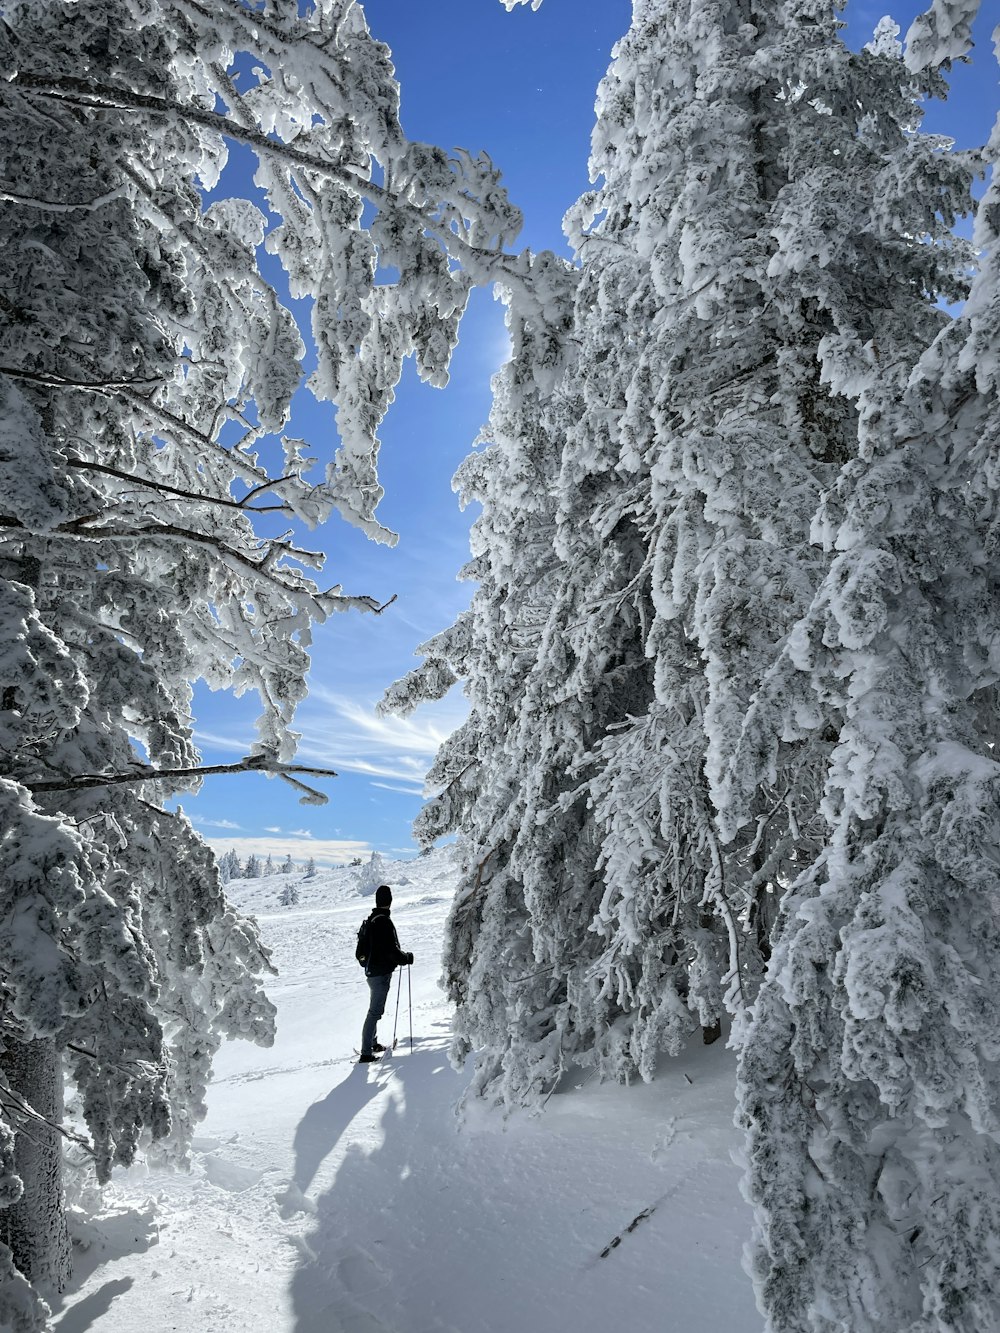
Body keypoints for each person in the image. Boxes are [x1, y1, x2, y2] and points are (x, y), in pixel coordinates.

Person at [358, 884, 413, 1063]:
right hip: (380, 974)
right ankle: (366, 1053)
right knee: (374, 1012)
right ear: (390, 901)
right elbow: (391, 951)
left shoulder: (372, 919)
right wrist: (406, 958)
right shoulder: (383, 922)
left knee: (374, 1010)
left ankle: (372, 1044)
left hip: (372, 972)